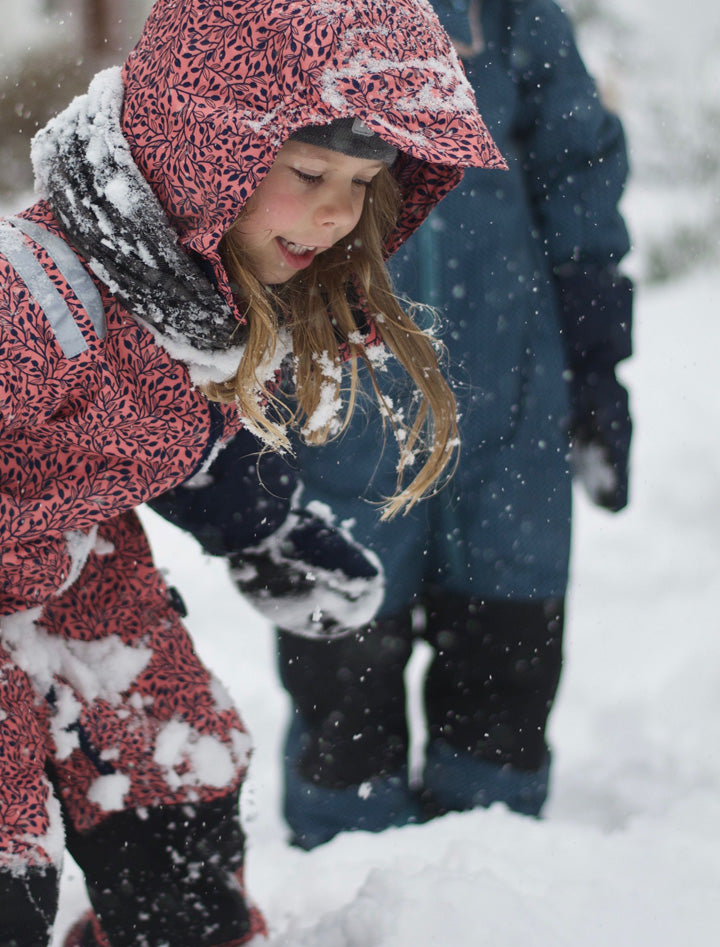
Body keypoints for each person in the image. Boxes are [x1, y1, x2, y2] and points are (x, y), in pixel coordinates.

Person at [0, 1, 502, 947]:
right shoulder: (17, 298)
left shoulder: (210, 292)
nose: (335, 213)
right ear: (204, 147)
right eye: (307, 174)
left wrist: (263, 532)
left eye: (361, 184)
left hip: (76, 561)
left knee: (175, 776)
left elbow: (186, 429)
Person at [272, 0, 633, 850]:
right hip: (338, 396)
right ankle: (348, 885)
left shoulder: (508, 15)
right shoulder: (280, 16)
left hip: (513, 394)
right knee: (342, 677)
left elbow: (577, 167)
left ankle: (489, 883)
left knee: (507, 657)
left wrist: (597, 364)